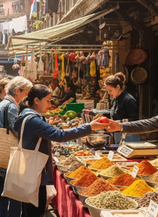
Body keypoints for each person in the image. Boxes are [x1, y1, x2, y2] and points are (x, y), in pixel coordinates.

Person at [14, 85, 106, 216]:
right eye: (48, 100)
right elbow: (60, 135)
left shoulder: (26, 115)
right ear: (36, 100)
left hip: (30, 169)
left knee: (30, 210)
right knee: (34, 211)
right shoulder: (33, 119)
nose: (50, 104)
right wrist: (89, 127)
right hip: (35, 172)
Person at [0, 76, 33, 217]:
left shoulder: (2, 104)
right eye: (25, 93)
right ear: (17, 90)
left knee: (3, 192)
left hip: (1, 155)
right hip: (9, 156)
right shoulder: (10, 107)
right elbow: (17, 130)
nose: (26, 96)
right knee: (15, 193)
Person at [104, 73, 140, 143]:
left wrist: (120, 122)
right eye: (107, 91)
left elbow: (135, 121)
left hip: (129, 136)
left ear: (117, 87)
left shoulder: (129, 100)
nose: (108, 93)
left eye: (110, 90)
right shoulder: (114, 100)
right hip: (117, 135)